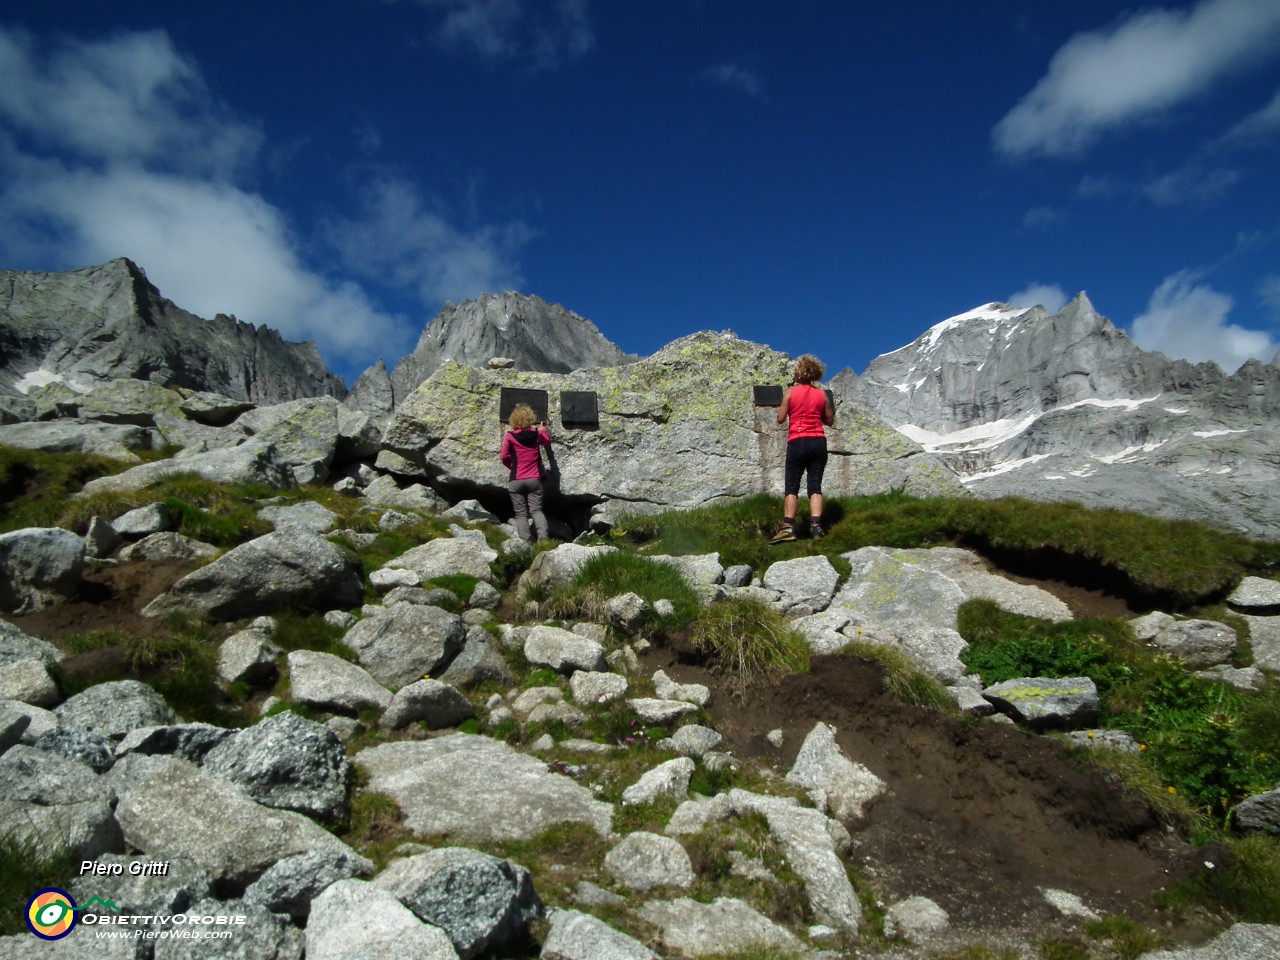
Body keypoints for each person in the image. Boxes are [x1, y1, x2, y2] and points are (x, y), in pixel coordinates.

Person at [771, 354, 835, 543]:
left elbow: (780, 418)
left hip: (797, 441)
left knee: (792, 486)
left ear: (799, 373)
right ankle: (816, 526)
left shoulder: (791, 392)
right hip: (818, 442)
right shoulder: (822, 394)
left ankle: (788, 528)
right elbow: (830, 420)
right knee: (815, 485)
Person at [500, 403, 552, 542]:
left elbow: (504, 456)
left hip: (516, 479)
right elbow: (546, 441)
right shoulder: (536, 435)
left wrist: (513, 467)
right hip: (534, 479)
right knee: (536, 510)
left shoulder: (510, 437)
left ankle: (526, 540)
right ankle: (543, 539)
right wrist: (542, 430)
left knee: (520, 513)